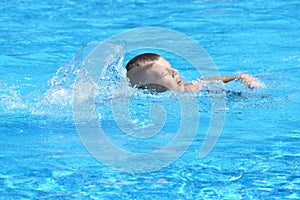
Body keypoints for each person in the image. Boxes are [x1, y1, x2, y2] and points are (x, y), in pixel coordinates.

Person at [125, 53, 262, 93]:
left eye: (171, 67)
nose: (175, 72)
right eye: (164, 74)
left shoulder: (187, 89)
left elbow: (211, 81)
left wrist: (240, 77)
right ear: (150, 87)